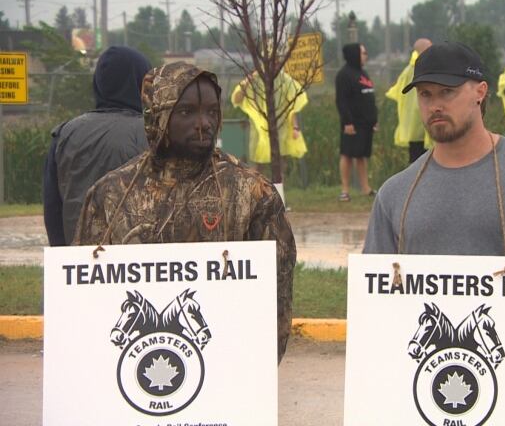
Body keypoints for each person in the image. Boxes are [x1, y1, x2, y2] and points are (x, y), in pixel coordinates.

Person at [363, 43, 505, 414]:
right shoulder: (395, 194)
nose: (435, 105)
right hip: (425, 398)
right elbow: (376, 304)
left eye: (448, 92)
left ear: (480, 92)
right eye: (425, 95)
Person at [72, 62, 296, 362]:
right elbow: (86, 298)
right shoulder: (111, 194)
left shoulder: (252, 194)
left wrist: (257, 373)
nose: (203, 123)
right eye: (187, 111)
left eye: (212, 112)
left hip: (226, 372)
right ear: (158, 115)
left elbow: (277, 298)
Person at [43, 46, 151, 246]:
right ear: (140, 84)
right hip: (138, 263)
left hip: (81, 263)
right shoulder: (152, 134)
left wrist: (63, 257)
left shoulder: (65, 134)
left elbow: (52, 207)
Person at [231, 69, 308, 176]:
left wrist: (295, 127)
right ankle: (256, 191)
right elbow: (237, 98)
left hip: (281, 128)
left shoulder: (284, 79)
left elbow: (291, 105)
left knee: (280, 164)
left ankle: (278, 190)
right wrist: (247, 81)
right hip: (260, 130)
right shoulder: (255, 79)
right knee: (258, 166)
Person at [336, 43, 378, 201]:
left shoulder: (363, 73)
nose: (366, 55)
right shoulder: (344, 75)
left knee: (361, 156)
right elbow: (342, 101)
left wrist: (374, 120)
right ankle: (345, 190)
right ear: (354, 54)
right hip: (352, 124)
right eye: (363, 53)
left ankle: (366, 188)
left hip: (366, 123)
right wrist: (347, 122)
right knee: (347, 155)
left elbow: (369, 97)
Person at [386, 38, 433, 163]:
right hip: (427, 120)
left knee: (415, 160)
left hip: (413, 123)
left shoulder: (407, 71)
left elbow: (396, 92)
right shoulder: (428, 68)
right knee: (428, 160)